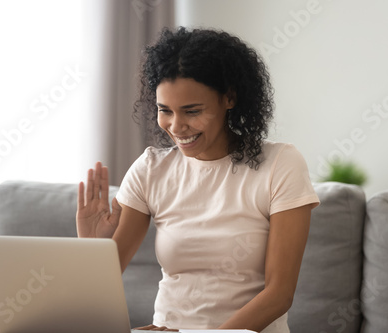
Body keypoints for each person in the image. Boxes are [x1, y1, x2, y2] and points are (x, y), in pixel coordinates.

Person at [76, 27, 320, 333]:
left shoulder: (280, 164)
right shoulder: (151, 169)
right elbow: (95, 294)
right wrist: (91, 248)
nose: (177, 127)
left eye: (192, 111)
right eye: (165, 111)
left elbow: (279, 295)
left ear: (229, 98)